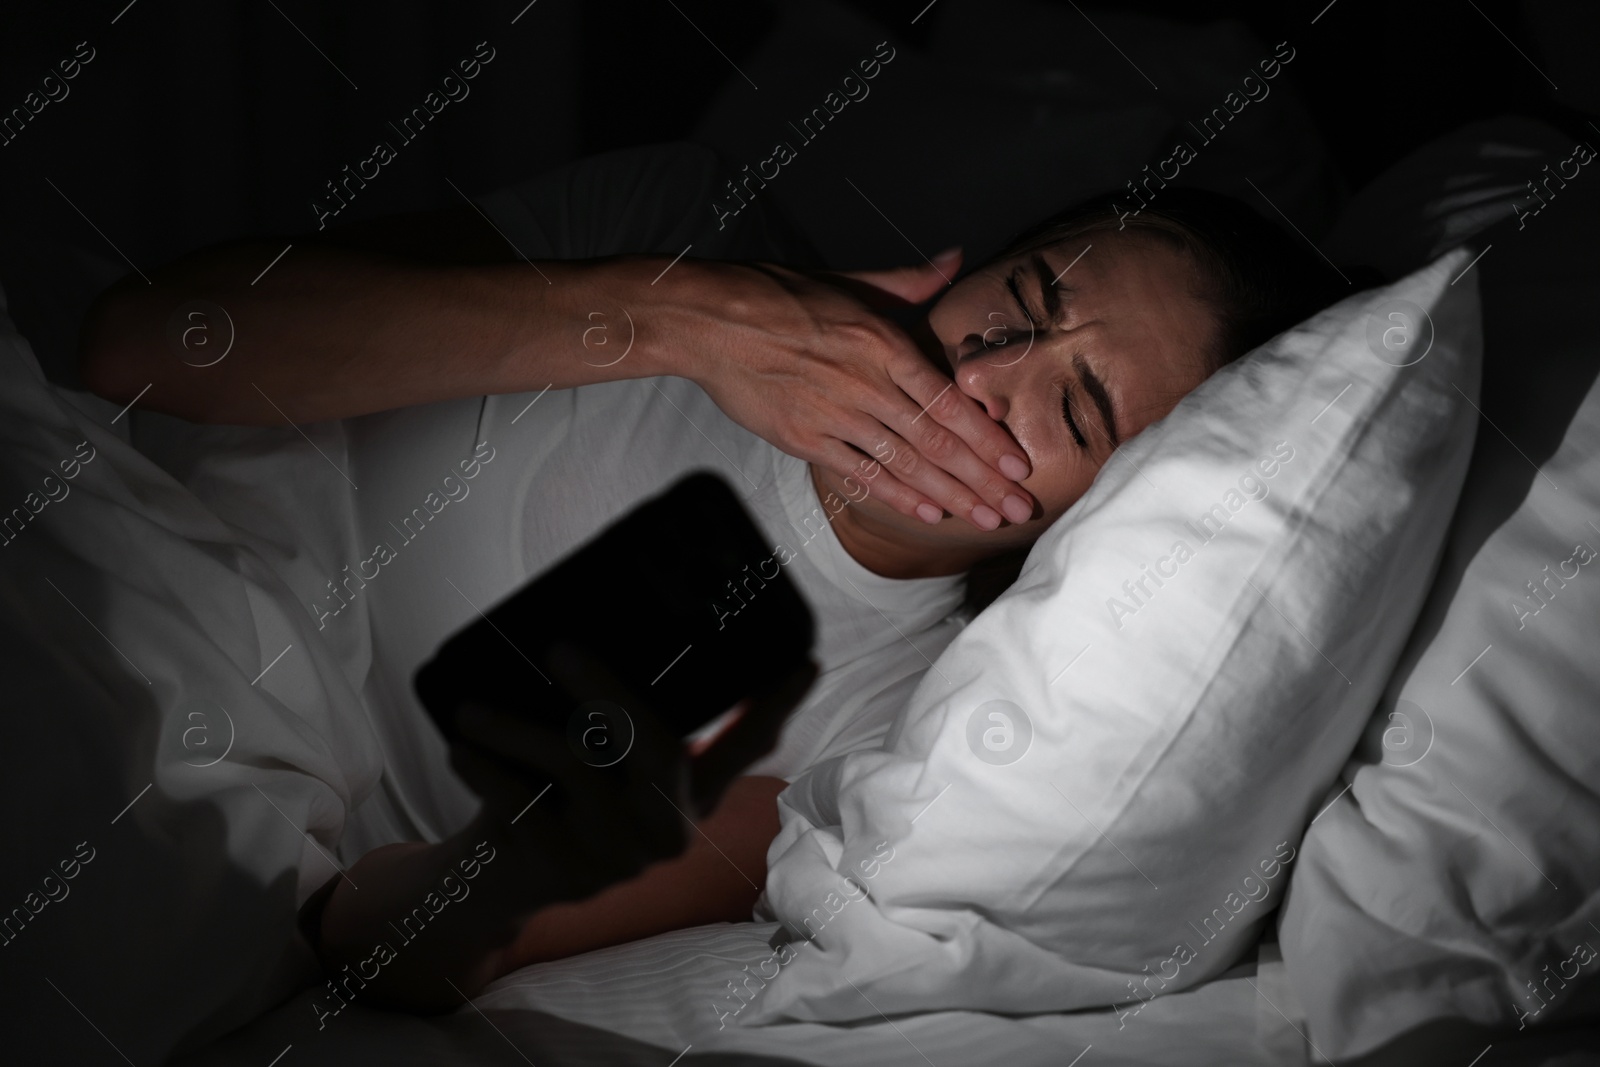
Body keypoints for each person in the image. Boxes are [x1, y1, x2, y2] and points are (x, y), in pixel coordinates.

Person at [78, 143, 1339, 1013]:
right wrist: (679, 319)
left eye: (1068, 408)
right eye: (1025, 297)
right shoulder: (672, 223)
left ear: (1092, 523)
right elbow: (140, 340)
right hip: (91, 503)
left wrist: (541, 864)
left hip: (176, 750)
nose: (989, 367)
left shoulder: (867, 742)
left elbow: (375, 937)